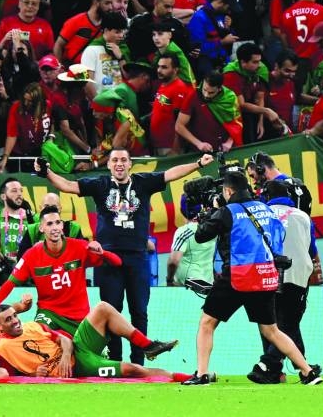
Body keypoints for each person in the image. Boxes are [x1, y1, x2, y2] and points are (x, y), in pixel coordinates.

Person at [42, 148, 215, 365]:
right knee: (112, 311)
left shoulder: (143, 182)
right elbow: (68, 186)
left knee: (139, 311)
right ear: (109, 164)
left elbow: (171, 174)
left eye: (124, 160)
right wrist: (47, 172)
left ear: (130, 164)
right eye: (115, 160)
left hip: (138, 259)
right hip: (107, 260)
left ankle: (137, 362)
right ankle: (116, 362)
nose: (119, 163)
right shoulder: (100, 185)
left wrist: (198, 163)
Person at [184, 171, 323, 386]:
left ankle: (201, 374)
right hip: (264, 275)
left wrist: (210, 213)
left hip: (237, 276)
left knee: (207, 323)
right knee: (272, 330)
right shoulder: (265, 209)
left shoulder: (227, 212)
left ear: (228, 191)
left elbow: (201, 235)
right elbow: (279, 235)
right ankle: (307, 372)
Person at [0, 206, 122, 336]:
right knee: (37, 334)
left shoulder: (79, 247)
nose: (54, 227)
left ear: (62, 226)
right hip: (49, 314)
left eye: (58, 223)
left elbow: (117, 262)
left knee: (87, 356)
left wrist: (102, 252)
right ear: (41, 228)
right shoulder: (31, 255)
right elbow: (10, 284)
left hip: (78, 317)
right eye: (49, 224)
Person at [0, 302, 179, 379]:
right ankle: (176, 377)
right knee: (133, 369)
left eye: (15, 315)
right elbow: (11, 378)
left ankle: (148, 346)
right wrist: (32, 376)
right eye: (8, 320)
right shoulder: (3, 349)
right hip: (79, 366)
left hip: (77, 348)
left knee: (102, 307)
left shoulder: (31, 325)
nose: (15, 321)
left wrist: (65, 355)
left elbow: (64, 339)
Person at [248, 180, 315, 384]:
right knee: (290, 321)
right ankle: (304, 367)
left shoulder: (261, 216)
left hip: (268, 273)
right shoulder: (303, 216)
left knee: (272, 322)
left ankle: (268, 364)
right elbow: (311, 249)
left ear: (265, 196)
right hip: (299, 274)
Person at [166, 197, 215, 287]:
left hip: (187, 288)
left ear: (182, 211)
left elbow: (173, 261)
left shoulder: (183, 232)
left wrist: (169, 279)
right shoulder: (212, 227)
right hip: (208, 285)